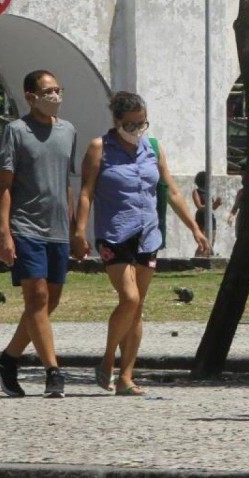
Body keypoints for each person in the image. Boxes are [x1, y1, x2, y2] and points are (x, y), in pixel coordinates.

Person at [71, 92, 211, 396]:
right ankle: (108, 360)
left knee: (137, 307)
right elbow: (86, 192)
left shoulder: (153, 147)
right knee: (130, 298)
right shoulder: (100, 148)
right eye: (130, 124)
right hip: (114, 233)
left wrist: (195, 229)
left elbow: (172, 191)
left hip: (148, 233)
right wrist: (79, 231)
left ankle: (127, 376)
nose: (136, 129)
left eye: (141, 123)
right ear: (117, 121)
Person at [0, 70, 77, 399]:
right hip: (26, 227)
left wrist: (76, 226)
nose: (55, 96)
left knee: (49, 301)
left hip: (58, 230)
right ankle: (53, 370)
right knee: (36, 298)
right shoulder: (16, 131)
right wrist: (4, 232)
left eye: (57, 89)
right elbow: (5, 186)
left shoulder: (68, 131)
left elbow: (65, 182)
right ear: (30, 96)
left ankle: (7, 360)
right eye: (47, 91)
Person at [192, 170, 223, 242]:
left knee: (212, 240)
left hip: (210, 216)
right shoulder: (196, 192)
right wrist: (212, 205)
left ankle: (210, 252)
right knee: (203, 241)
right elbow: (199, 207)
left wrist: (217, 204)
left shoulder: (208, 192)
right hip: (201, 217)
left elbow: (213, 208)